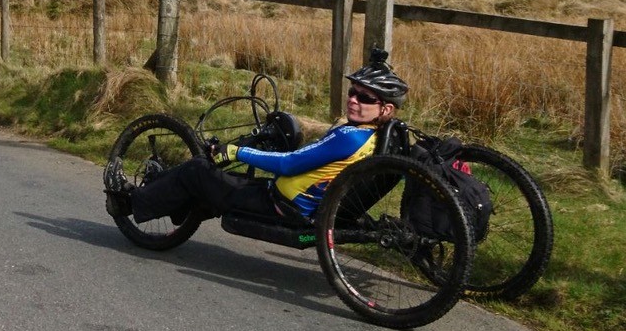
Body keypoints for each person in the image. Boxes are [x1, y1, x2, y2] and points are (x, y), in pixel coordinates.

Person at [106, 50, 409, 224]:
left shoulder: (350, 137)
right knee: (223, 181)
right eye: (353, 92)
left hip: (283, 206)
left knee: (198, 170)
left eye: (364, 98)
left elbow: (290, 164)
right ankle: (179, 208)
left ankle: (130, 203)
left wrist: (238, 152)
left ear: (385, 109)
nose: (353, 100)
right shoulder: (375, 137)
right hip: (301, 202)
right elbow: (314, 161)